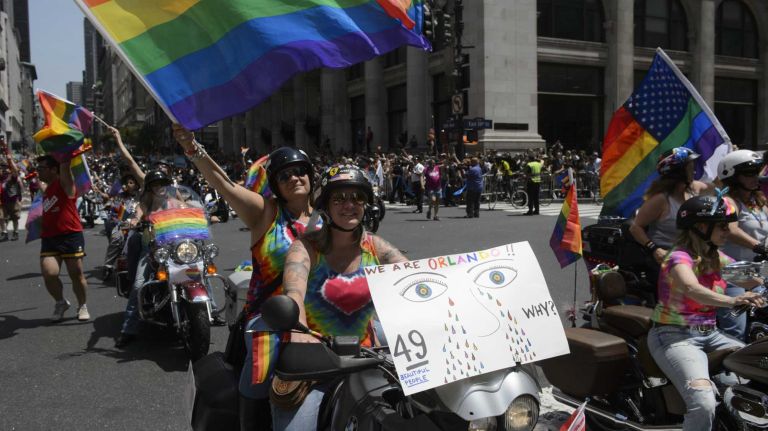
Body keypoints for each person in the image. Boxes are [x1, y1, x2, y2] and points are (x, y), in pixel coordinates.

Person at [172, 125, 314, 430]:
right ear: (275, 185)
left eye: (300, 170)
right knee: (264, 353)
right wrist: (192, 147)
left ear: (311, 175)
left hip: (319, 311)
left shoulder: (328, 217)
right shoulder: (265, 212)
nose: (294, 178)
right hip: (270, 315)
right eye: (284, 175)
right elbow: (223, 184)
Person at [275, 165, 408, 430]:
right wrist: (299, 331)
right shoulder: (306, 247)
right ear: (325, 205)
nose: (349, 205)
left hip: (370, 359)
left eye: (357, 197)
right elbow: (294, 291)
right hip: (316, 364)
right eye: (339, 198)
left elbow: (416, 278)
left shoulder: (375, 246)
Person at [647, 195, 765, 431]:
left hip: (711, 334)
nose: (728, 231)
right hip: (675, 337)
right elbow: (692, 289)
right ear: (701, 227)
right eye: (722, 225)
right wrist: (733, 300)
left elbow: (754, 280)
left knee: (758, 369)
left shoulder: (715, 258)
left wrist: (761, 286)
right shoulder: (678, 258)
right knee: (703, 403)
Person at [629, 148, 711, 283]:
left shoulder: (694, 189)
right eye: (690, 168)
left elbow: (717, 185)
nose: (694, 171)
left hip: (695, 256)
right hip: (669, 259)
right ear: (678, 173)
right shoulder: (661, 200)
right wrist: (654, 249)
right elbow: (635, 227)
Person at [718, 150, 768, 339]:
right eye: (749, 174)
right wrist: (759, 247)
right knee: (735, 329)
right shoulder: (727, 201)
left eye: (756, 172)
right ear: (733, 177)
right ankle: (727, 364)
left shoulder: (759, 201)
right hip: (732, 270)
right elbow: (731, 230)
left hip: (758, 268)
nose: (755, 177)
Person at [36, 154, 91, 322]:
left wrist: (64, 150)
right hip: (50, 238)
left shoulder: (65, 184)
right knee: (49, 273)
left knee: (76, 273)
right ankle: (60, 302)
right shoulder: (47, 189)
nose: (38, 171)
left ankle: (82, 305)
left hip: (70, 235)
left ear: (54, 169)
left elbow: (65, 167)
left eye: (41, 168)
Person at [1, 143, 23, 241]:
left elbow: (15, 170)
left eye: (4, 168)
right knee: (1, 217)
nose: (2, 169)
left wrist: (10, 160)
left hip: (13, 200)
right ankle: (5, 232)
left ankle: (15, 232)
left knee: (15, 217)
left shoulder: (12, 177)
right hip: (2, 201)